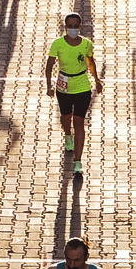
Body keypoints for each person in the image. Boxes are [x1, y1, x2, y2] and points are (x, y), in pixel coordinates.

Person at [46, 12, 102, 178]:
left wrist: (97, 80)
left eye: (75, 26)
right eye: (70, 26)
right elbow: (49, 65)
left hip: (82, 86)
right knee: (66, 117)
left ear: (80, 26)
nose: (73, 29)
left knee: (79, 122)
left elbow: (90, 62)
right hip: (63, 86)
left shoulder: (86, 44)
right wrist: (49, 85)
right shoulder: (57, 44)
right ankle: (67, 135)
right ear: (65, 27)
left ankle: (77, 161)